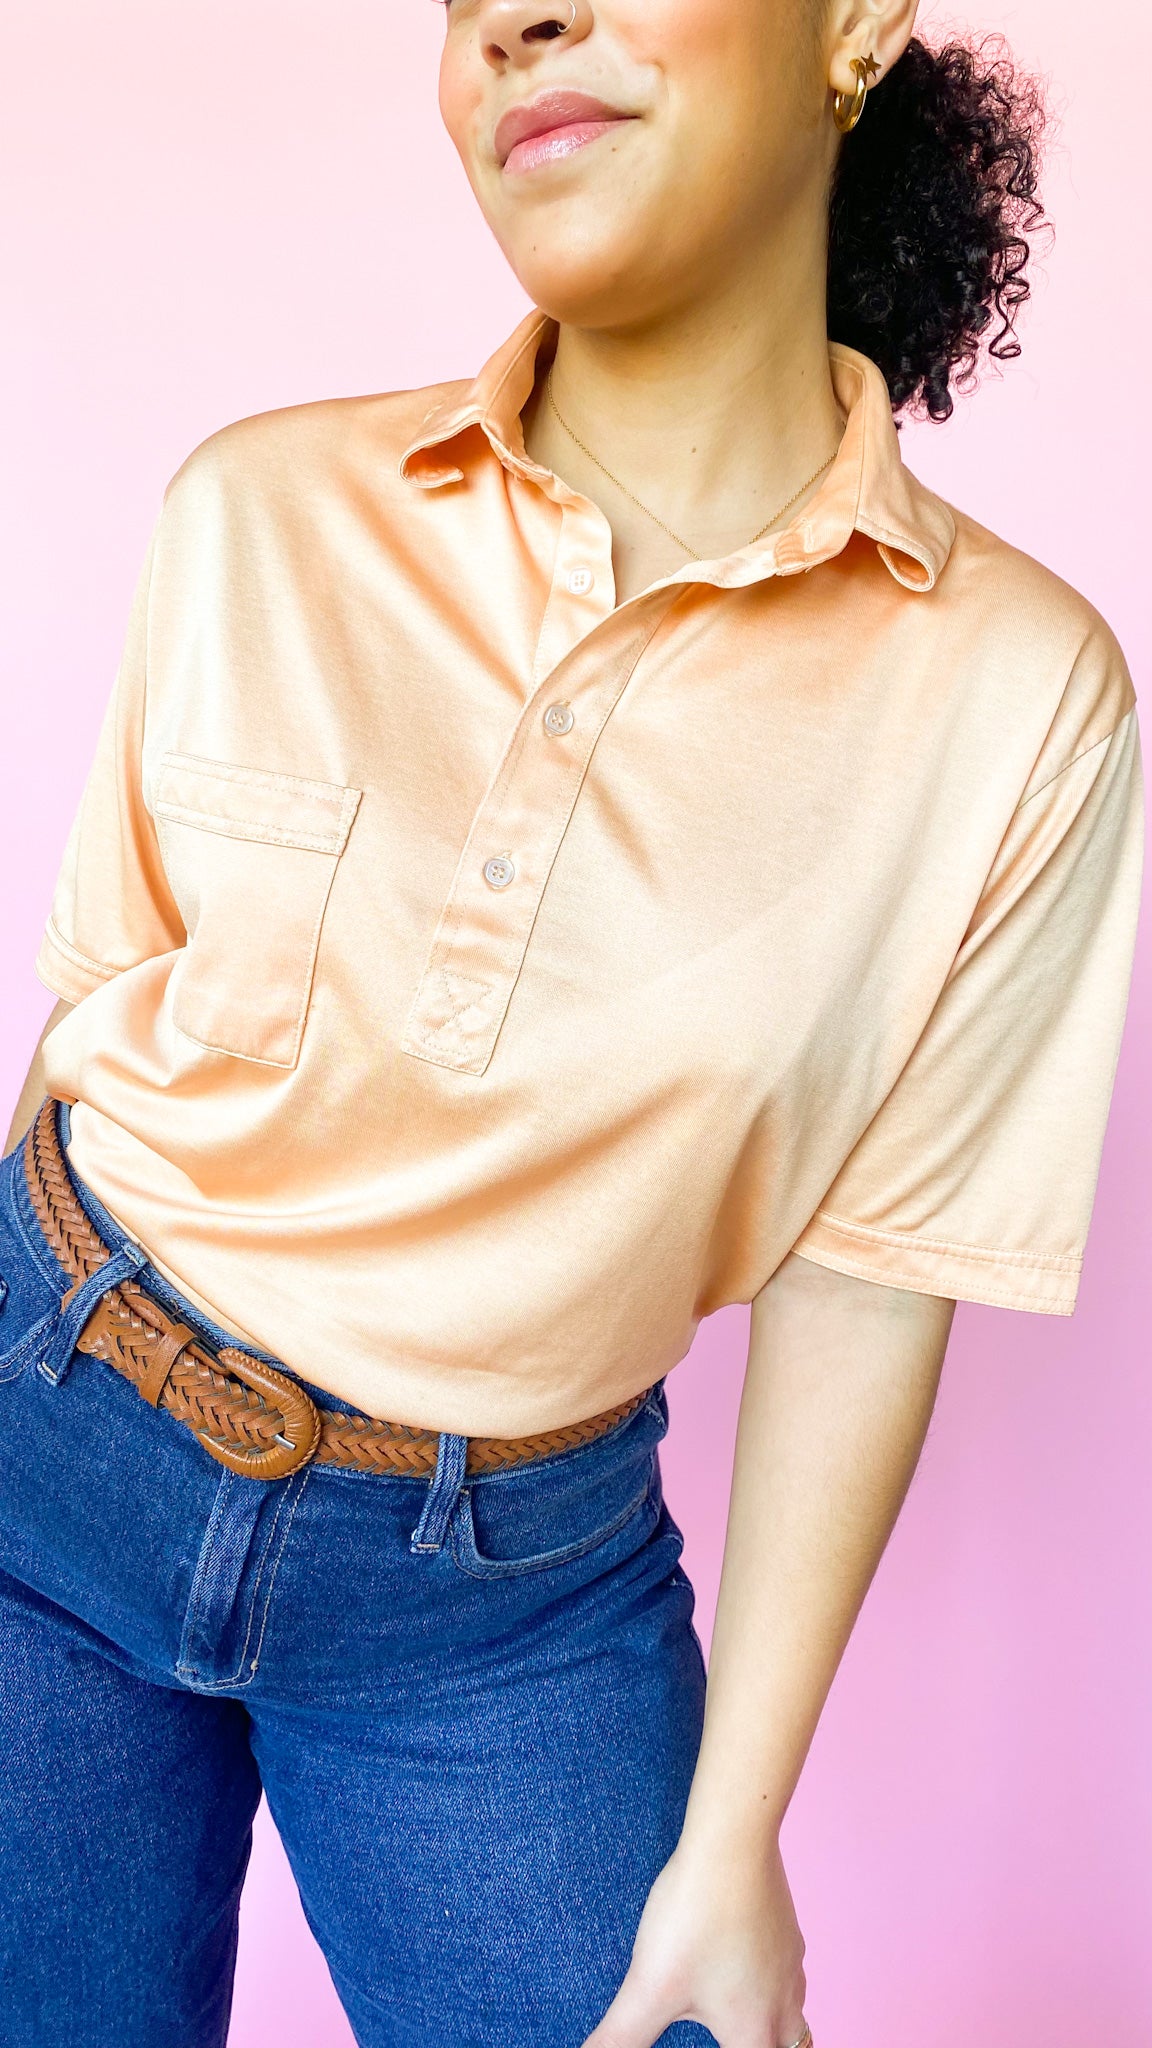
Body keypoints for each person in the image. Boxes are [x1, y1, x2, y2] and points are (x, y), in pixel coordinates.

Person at [0, 1, 1142, 2044]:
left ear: (857, 26)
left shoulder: (1019, 696)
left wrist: (733, 1843)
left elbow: (875, 1271)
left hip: (500, 1604)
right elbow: (93, 1028)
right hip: (43, 1439)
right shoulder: (259, 504)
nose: (513, 21)